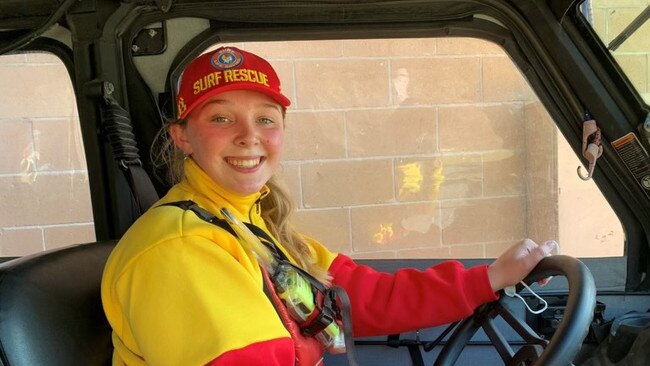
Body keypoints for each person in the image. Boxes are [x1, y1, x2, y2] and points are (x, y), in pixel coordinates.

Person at [101, 46, 557, 366]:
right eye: (221, 118)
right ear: (183, 136)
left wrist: (489, 278)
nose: (249, 136)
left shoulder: (250, 222)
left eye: (265, 119)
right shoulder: (181, 250)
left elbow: (360, 297)